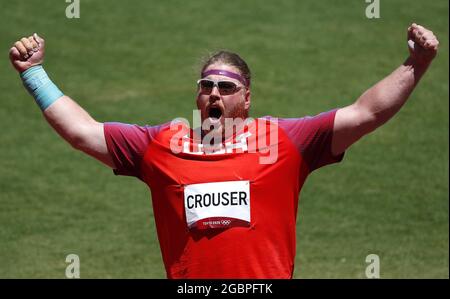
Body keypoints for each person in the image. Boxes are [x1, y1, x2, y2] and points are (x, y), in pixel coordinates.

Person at [9, 23, 439, 279]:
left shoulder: (284, 141)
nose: (214, 93)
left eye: (226, 87)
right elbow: (84, 132)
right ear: (198, 97)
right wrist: (35, 74)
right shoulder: (162, 143)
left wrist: (414, 64)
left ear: (246, 98)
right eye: (206, 86)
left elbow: (364, 113)